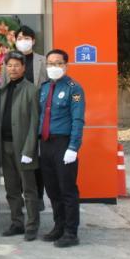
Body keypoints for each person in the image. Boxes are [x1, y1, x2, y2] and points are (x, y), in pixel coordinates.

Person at [38, 49, 86, 248]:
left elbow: (78, 119)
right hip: (46, 143)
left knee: (67, 190)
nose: (54, 67)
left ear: (66, 65)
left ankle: (71, 232)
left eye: (58, 63)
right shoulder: (44, 88)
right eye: (50, 63)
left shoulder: (74, 89)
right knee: (52, 189)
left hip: (63, 144)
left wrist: (73, 147)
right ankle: (58, 226)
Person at [0, 51, 40, 241]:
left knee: (29, 190)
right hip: (5, 145)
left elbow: (34, 122)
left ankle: (32, 225)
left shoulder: (31, 90)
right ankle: (17, 223)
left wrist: (29, 149)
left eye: (16, 65)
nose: (13, 69)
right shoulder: (3, 89)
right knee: (11, 188)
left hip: (23, 148)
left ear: (23, 67)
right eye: (9, 65)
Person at [13, 25, 48, 211]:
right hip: (17, 116)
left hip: (38, 113)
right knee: (19, 158)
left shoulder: (43, 61)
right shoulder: (10, 61)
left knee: (36, 158)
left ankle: (38, 196)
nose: (23, 41)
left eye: (26, 38)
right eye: (20, 38)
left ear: (33, 41)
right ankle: (21, 194)